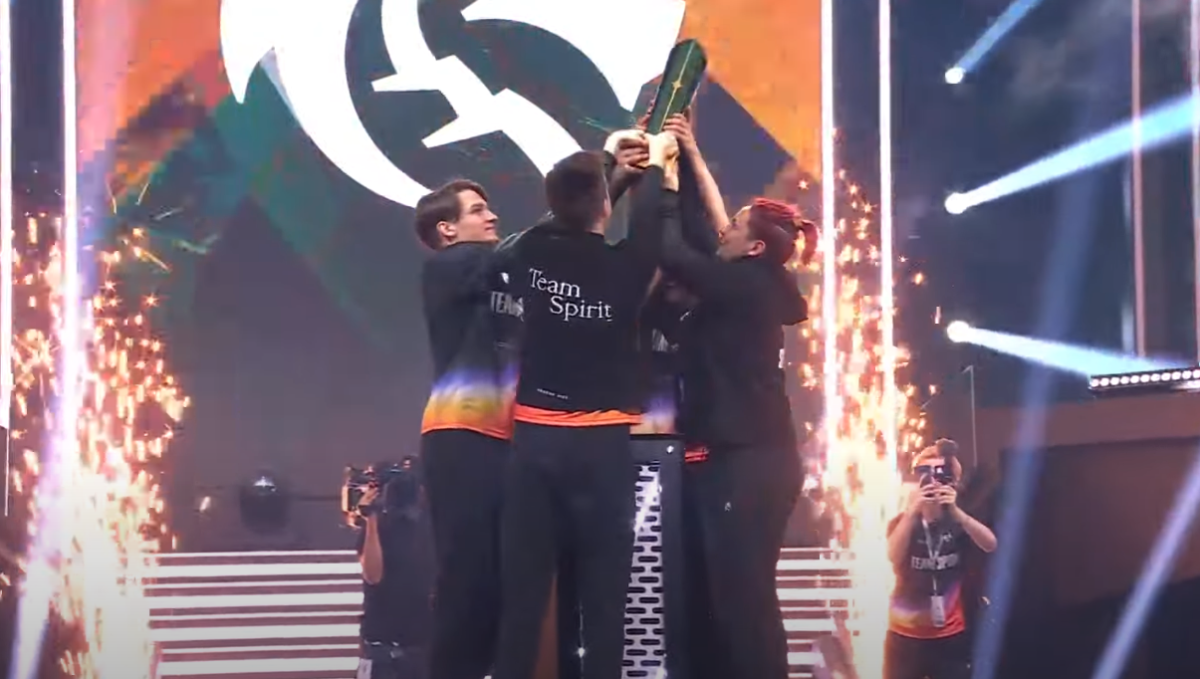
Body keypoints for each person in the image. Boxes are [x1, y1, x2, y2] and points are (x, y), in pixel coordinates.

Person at [492, 130, 680, 679]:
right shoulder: (628, 266)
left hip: (535, 441)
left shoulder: (529, 251)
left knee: (522, 598)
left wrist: (608, 167)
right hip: (602, 446)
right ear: (603, 205)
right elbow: (651, 224)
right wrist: (657, 165)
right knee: (604, 600)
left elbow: (549, 224)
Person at [653, 113, 814, 679]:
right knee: (739, 598)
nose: (724, 229)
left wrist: (665, 182)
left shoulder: (743, 285)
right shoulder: (759, 278)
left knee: (743, 603)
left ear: (754, 247)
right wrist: (692, 152)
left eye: (737, 227)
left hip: (746, 463)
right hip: (755, 460)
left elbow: (673, 251)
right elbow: (722, 224)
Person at [414, 179, 521, 679]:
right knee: (467, 580)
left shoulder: (500, 274)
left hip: (509, 438)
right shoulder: (448, 265)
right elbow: (532, 246)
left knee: (503, 582)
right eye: (478, 210)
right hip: (462, 433)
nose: (492, 216)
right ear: (447, 230)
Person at [885, 439, 998, 679]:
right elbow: (893, 556)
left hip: (949, 634)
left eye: (939, 474)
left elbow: (990, 544)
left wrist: (957, 512)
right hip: (905, 636)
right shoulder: (903, 522)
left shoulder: (959, 522)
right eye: (925, 473)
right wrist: (912, 511)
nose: (933, 482)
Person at [356, 465, 436, 679]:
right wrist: (371, 519)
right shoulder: (377, 527)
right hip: (381, 644)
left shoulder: (430, 528)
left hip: (421, 642)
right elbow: (373, 575)